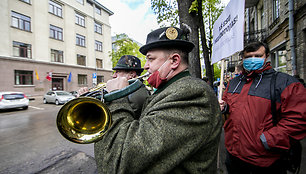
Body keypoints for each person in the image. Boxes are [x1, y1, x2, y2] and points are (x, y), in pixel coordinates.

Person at [94, 26, 222, 173]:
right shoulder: (170, 89)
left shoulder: (192, 93)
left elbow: (121, 161)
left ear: (174, 61)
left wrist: (117, 97)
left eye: (150, 59)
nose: (146, 66)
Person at [219, 41, 306, 174]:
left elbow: (298, 119)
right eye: (248, 57)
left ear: (266, 57)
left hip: (264, 161)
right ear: (243, 59)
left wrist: (269, 140)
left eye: (257, 56)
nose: (252, 59)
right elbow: (229, 107)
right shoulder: (234, 83)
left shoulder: (285, 83)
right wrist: (224, 107)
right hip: (233, 155)